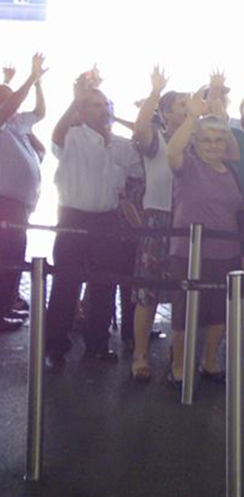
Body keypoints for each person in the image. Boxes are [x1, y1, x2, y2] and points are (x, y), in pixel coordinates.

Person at [46, 67, 141, 371]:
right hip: (73, 218)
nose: (103, 110)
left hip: (108, 220)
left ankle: (98, 344)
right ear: (82, 111)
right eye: (96, 105)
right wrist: (76, 99)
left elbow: (137, 171)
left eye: (106, 105)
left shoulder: (121, 145)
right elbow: (56, 136)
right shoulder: (71, 135)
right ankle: (55, 346)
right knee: (66, 283)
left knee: (105, 284)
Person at [166, 78, 243, 386]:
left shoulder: (231, 168)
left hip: (226, 252)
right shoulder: (188, 166)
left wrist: (221, 116)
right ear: (196, 142)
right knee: (184, 312)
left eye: (218, 140)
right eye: (207, 140)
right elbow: (172, 151)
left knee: (219, 311)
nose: (213, 145)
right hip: (188, 252)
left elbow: (234, 150)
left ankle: (209, 361)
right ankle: (179, 365)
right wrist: (192, 117)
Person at [128, 66, 186, 381]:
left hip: (186, 222)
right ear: (166, 112)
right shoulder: (157, 140)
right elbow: (139, 129)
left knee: (183, 292)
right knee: (147, 292)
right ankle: (139, 354)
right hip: (158, 218)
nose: (187, 109)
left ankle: (179, 352)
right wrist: (154, 92)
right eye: (181, 105)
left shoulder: (194, 141)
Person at [0, 54, 47, 332]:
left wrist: (38, 84)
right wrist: (29, 78)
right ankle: (1, 312)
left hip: (18, 206)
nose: (17, 105)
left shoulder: (16, 126)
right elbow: (9, 105)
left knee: (14, 259)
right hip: (4, 204)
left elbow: (40, 113)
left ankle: (6, 306)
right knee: (6, 260)